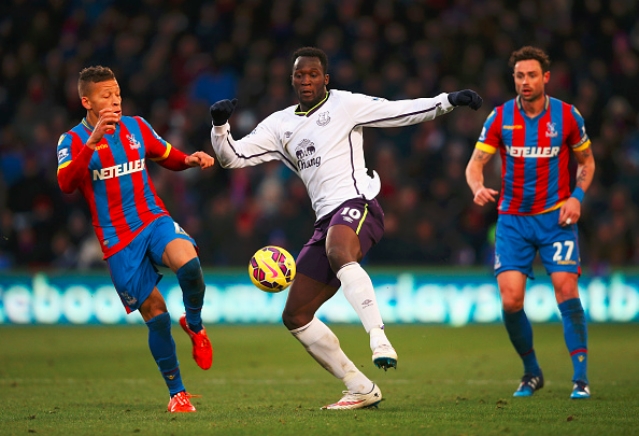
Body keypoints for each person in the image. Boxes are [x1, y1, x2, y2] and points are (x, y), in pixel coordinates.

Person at [209, 47, 482, 409]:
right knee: (295, 315)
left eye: (312, 74)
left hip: (359, 204)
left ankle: (378, 337)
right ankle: (359, 386)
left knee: (338, 250)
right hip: (326, 221)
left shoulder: (345, 105)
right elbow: (231, 157)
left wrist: (447, 101)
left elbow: (398, 111)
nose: (306, 80)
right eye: (299, 75)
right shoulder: (279, 125)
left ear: (326, 79)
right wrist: (219, 126)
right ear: (292, 80)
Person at [56, 66, 215, 413]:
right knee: (156, 314)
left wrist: (188, 160)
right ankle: (177, 394)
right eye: (105, 95)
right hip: (117, 241)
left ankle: (195, 324)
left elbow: (164, 153)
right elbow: (67, 183)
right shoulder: (71, 141)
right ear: (86, 101)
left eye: (117, 93)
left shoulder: (137, 126)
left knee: (189, 263)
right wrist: (93, 141)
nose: (115, 100)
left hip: (152, 219)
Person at [465, 46, 595, 400]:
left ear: (545, 78)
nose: (525, 81)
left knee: (567, 290)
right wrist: (477, 187)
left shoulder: (568, 117)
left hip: (557, 218)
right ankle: (532, 371)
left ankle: (580, 378)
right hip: (513, 222)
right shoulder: (500, 117)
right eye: (520, 76)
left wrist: (577, 198)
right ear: (514, 79)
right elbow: (475, 165)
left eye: (532, 75)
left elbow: (586, 162)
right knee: (510, 302)